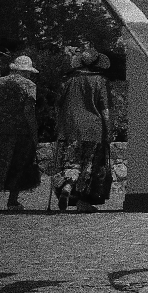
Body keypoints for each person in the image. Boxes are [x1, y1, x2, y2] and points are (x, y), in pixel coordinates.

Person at [0, 54, 42, 212]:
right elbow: (28, 111)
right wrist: (34, 133)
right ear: (26, 71)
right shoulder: (29, 85)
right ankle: (12, 201)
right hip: (19, 130)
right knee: (18, 163)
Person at [57, 47, 114, 209]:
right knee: (89, 164)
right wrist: (108, 130)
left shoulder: (68, 81)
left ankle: (68, 186)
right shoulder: (101, 81)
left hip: (70, 128)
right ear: (97, 64)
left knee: (72, 161)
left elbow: (59, 105)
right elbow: (105, 109)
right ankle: (83, 200)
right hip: (93, 128)